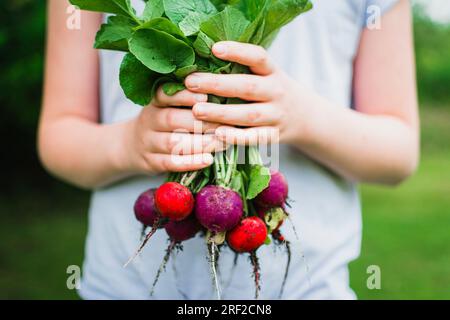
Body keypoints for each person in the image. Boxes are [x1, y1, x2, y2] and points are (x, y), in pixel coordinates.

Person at [39, 0, 419, 299]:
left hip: (310, 289)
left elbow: (399, 153)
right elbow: (58, 136)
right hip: (122, 289)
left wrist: (302, 117)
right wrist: (128, 144)